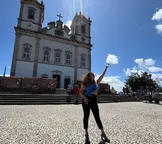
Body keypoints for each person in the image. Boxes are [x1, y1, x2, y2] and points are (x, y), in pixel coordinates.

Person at [79, 64, 110, 144]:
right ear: (88, 77)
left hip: (94, 100)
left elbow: (102, 75)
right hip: (87, 100)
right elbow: (80, 92)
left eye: (92, 75)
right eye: (90, 75)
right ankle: (86, 136)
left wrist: (106, 68)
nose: (92, 76)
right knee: (86, 117)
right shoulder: (85, 84)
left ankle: (103, 134)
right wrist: (85, 98)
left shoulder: (96, 82)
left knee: (97, 117)